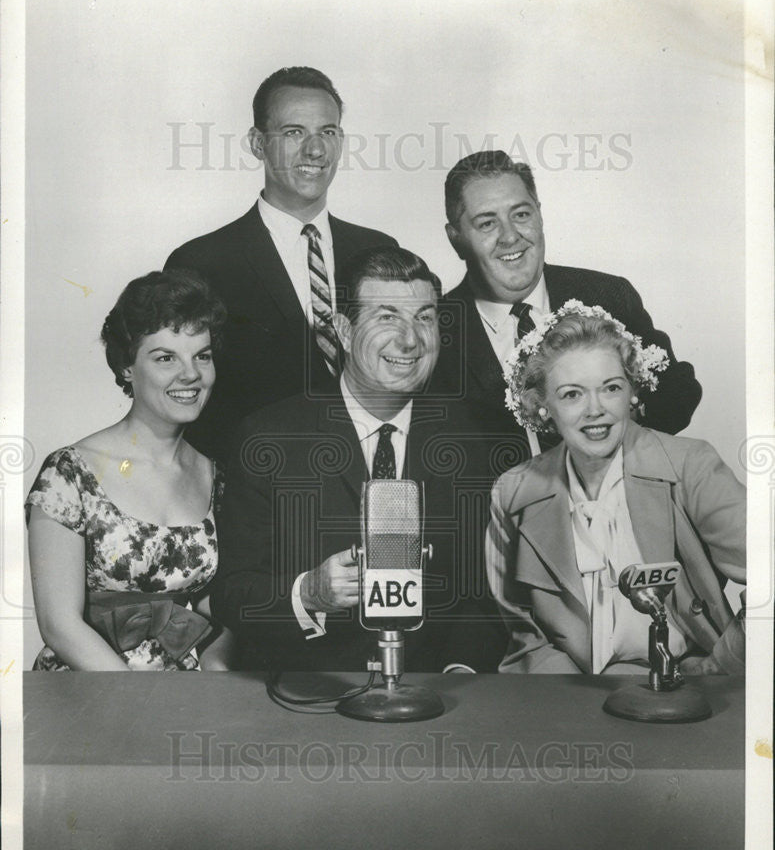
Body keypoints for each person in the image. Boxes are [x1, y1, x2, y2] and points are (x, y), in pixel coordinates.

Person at [213, 246, 507, 673]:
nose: (409, 340)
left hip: (438, 701)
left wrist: (460, 674)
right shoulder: (268, 439)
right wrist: (307, 594)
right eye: (387, 317)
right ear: (345, 332)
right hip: (310, 700)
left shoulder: (472, 441)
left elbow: (485, 597)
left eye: (424, 317)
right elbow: (232, 595)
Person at [486, 301, 745, 675]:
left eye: (610, 388)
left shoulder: (692, 465)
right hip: (567, 701)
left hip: (690, 698)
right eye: (572, 394)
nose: (595, 409)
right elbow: (524, 636)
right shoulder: (514, 492)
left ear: (633, 393)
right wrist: (575, 702)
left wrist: (717, 674)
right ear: (542, 407)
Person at [165, 66, 398, 462]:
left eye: (327, 132)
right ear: (258, 143)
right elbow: (183, 399)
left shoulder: (379, 251)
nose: (315, 150)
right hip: (256, 494)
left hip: (370, 483)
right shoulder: (202, 263)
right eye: (294, 133)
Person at [434, 150, 702, 466]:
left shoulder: (608, 295)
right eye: (487, 223)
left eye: (521, 215)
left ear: (539, 215)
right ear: (456, 239)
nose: (510, 236)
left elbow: (678, 387)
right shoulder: (435, 328)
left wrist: (618, 442)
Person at [26, 269, 234, 671]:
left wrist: (217, 684)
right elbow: (59, 625)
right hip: (91, 690)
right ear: (126, 367)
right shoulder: (69, 473)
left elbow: (214, 618)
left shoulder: (215, 476)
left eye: (202, 356)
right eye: (165, 358)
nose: (190, 373)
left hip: (182, 692)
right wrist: (140, 708)